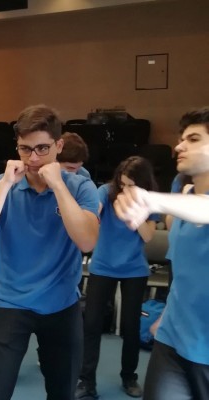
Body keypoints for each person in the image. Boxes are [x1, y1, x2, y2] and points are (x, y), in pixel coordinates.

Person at [0, 105, 99, 400]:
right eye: (26, 149)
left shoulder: (81, 188)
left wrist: (58, 186)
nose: (34, 158)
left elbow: (87, 241)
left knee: (61, 391)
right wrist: (4, 183)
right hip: (12, 302)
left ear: (59, 146)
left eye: (43, 148)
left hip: (61, 305)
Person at [114, 107, 209, 400]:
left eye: (193, 139)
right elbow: (184, 271)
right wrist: (167, 314)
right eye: (182, 138)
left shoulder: (177, 203)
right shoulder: (183, 194)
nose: (179, 145)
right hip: (173, 340)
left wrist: (150, 199)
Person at [76, 156, 158, 399]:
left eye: (131, 185)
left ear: (142, 184)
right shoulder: (105, 191)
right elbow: (95, 215)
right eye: (122, 184)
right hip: (103, 266)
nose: (125, 190)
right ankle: (86, 380)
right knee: (91, 324)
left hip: (134, 269)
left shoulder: (150, 200)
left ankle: (129, 377)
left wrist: (135, 211)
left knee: (131, 328)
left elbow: (148, 237)